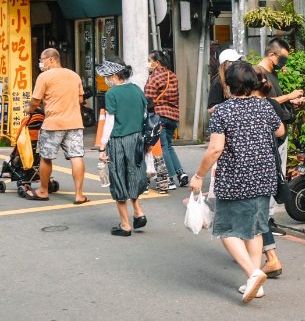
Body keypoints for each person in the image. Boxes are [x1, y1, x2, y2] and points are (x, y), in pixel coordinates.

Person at [189, 61, 285, 303]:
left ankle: (253, 273)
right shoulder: (264, 107)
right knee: (255, 229)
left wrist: (199, 176)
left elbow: (215, 149)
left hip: (235, 178)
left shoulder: (223, 111)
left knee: (225, 229)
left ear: (229, 85)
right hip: (264, 176)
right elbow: (281, 131)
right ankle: (254, 283)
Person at [257, 37, 305, 237]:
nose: (284, 64)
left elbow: (274, 103)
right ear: (271, 54)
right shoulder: (257, 73)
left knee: (276, 175)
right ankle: (265, 221)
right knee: (271, 175)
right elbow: (261, 103)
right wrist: (289, 96)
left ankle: (267, 219)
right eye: (283, 59)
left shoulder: (272, 74)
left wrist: (291, 102)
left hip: (279, 130)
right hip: (269, 134)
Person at [25, 48, 87, 203]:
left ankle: (43, 191)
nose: (41, 63)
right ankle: (79, 195)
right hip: (75, 123)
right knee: (76, 156)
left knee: (46, 158)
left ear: (51, 59)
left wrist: (28, 109)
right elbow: (80, 100)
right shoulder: (74, 75)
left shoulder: (44, 77)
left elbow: (35, 101)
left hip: (53, 124)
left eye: (42, 59)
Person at [96, 58, 149, 236]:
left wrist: (102, 147)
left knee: (119, 179)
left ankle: (125, 225)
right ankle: (138, 211)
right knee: (133, 175)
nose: (106, 78)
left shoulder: (112, 94)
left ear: (114, 74)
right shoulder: (136, 89)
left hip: (118, 140)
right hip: (136, 139)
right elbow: (144, 115)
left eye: (107, 75)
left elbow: (109, 123)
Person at [252, 67, 283, 278]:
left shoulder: (254, 106)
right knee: (259, 214)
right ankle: (270, 259)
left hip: (251, 170)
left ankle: (256, 268)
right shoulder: (270, 104)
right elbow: (281, 131)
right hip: (269, 166)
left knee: (253, 217)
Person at [145, 50, 188, 189]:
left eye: (149, 60)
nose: (148, 64)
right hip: (173, 116)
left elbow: (148, 100)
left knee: (162, 147)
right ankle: (180, 173)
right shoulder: (172, 76)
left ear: (156, 63)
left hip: (159, 116)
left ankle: (169, 179)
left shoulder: (154, 77)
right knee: (168, 145)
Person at [207, 48, 242, 115]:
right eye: (235, 61)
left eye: (238, 61)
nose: (238, 64)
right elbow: (210, 110)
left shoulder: (240, 78)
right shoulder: (218, 82)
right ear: (226, 63)